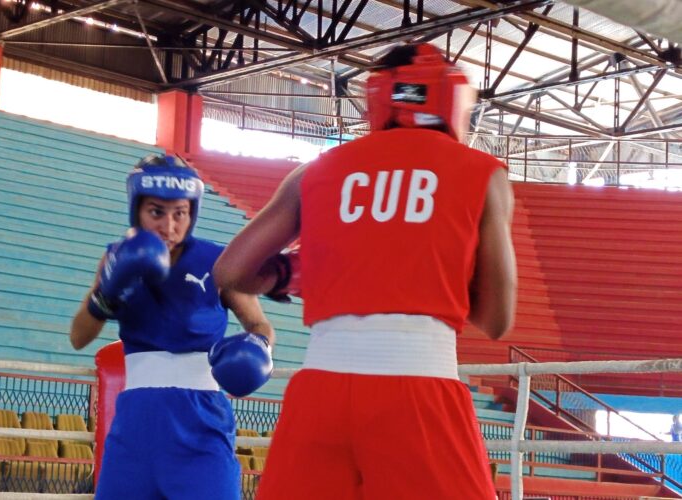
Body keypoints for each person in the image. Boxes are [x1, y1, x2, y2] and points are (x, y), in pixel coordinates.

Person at [213, 43, 517, 499]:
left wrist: (298, 272)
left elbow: (231, 272)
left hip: (320, 392)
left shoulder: (315, 172)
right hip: (419, 390)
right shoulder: (481, 173)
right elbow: (497, 319)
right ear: (453, 100)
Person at [69, 154, 275, 500]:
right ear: (136, 210)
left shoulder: (217, 262)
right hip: (136, 424)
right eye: (156, 212)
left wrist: (258, 348)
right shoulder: (115, 259)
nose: (169, 226)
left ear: (192, 213)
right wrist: (106, 294)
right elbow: (78, 337)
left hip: (201, 422)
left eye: (180, 213)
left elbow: (258, 323)